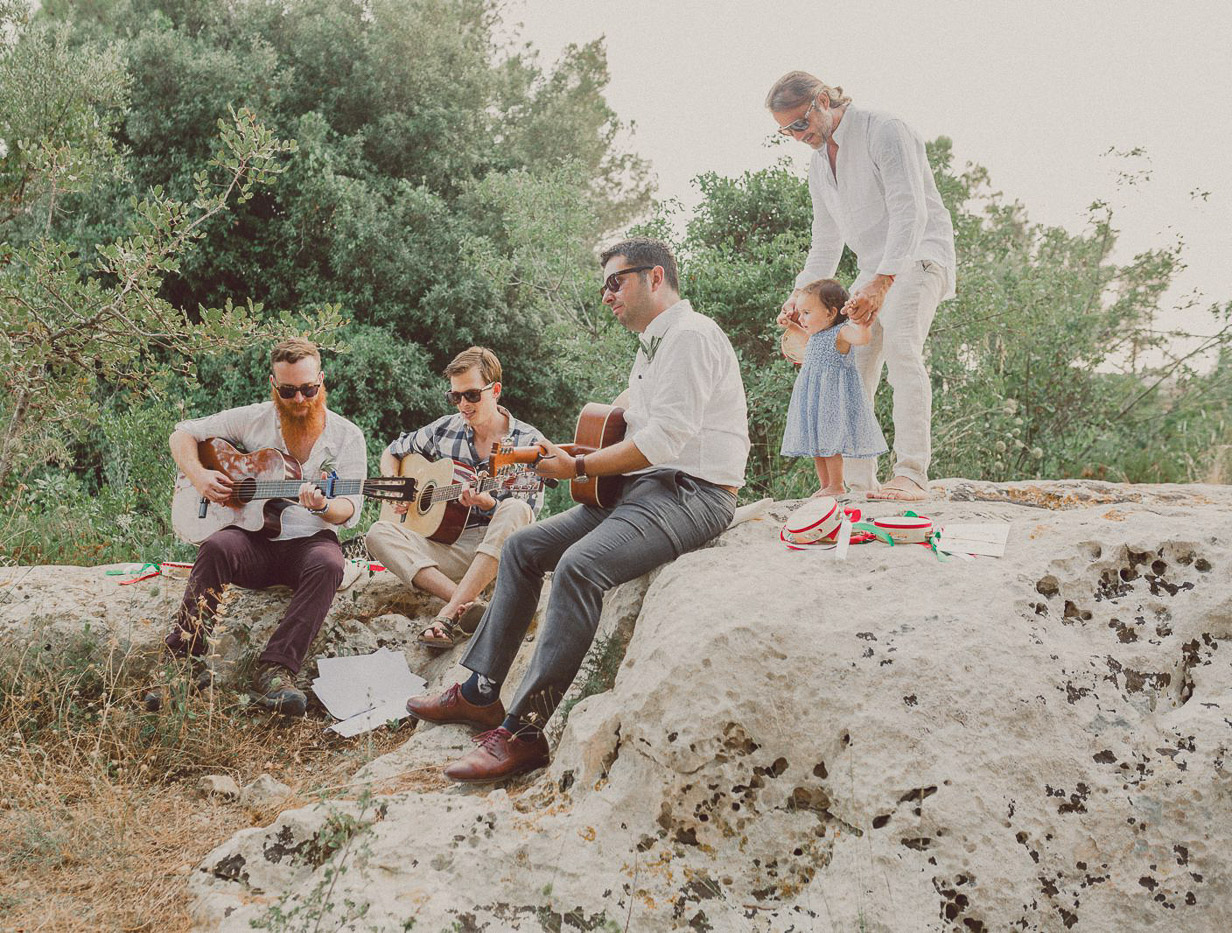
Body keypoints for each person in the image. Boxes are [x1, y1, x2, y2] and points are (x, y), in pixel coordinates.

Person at [405, 237, 749, 784]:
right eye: (603, 285)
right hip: (641, 488)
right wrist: (572, 455)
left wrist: (581, 471)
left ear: (655, 278)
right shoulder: (652, 346)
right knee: (522, 546)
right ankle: (479, 692)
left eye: (617, 282)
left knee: (579, 567)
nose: (606, 294)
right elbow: (629, 425)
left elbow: (667, 439)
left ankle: (525, 731)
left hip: (694, 492)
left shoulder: (691, 336)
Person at [145, 337, 367, 716]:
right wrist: (200, 477)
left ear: (322, 381)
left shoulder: (347, 436)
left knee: (331, 564)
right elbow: (181, 433)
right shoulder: (252, 418)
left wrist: (325, 506)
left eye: (309, 389)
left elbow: (350, 507)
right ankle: (185, 661)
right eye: (289, 390)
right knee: (216, 547)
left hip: (309, 543)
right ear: (273, 385)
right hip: (253, 541)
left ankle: (276, 670)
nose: (300, 400)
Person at [768, 70, 956, 502]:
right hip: (872, 270)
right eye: (786, 131)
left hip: (918, 256)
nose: (798, 136)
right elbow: (825, 241)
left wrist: (884, 281)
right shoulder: (819, 166)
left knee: (902, 350)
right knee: (850, 368)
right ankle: (858, 484)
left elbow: (910, 211)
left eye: (800, 123)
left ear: (823, 100)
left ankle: (911, 473)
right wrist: (800, 297)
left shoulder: (884, 130)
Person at [365, 347, 546, 650]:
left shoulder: (528, 442)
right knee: (377, 533)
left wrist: (489, 504)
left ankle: (447, 614)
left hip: (498, 552)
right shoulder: (445, 429)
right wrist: (398, 486)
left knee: (514, 507)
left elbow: (526, 517)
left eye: (472, 395)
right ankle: (468, 602)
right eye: (455, 396)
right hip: (448, 549)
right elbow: (393, 450)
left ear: (495, 390)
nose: (463, 404)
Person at [780, 279, 887, 497]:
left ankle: (837, 485)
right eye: (800, 313)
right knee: (817, 445)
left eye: (807, 313)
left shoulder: (841, 332)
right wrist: (790, 325)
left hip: (831, 399)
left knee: (830, 443)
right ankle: (825, 485)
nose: (801, 318)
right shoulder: (816, 336)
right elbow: (803, 338)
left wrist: (863, 326)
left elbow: (862, 339)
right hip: (813, 398)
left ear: (830, 313)